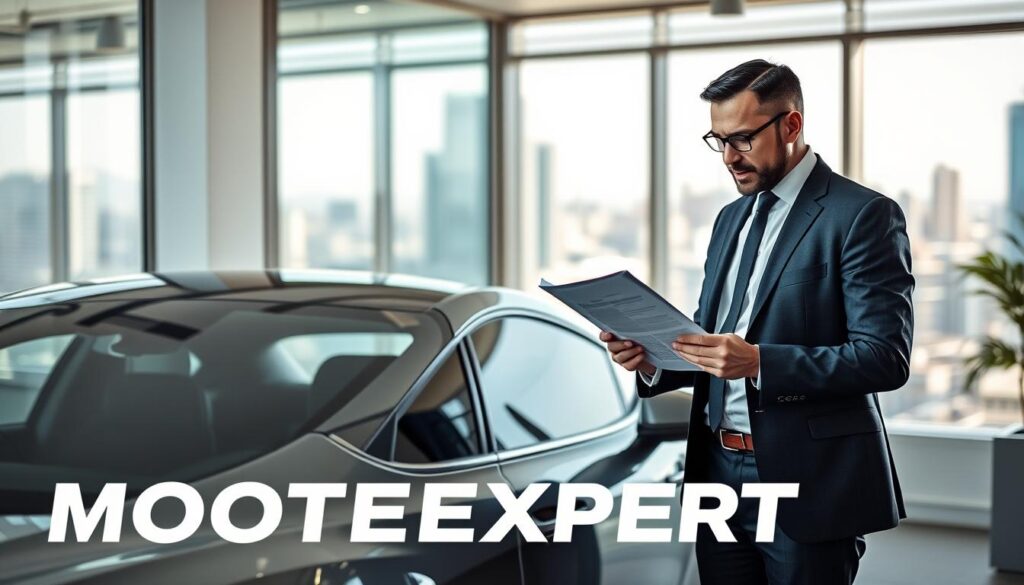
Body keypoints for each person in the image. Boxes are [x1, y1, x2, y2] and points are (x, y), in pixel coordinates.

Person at [600, 58, 914, 585]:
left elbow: (885, 357)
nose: (727, 157)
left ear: (791, 125)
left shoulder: (861, 216)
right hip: (718, 472)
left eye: (742, 139)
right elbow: (710, 341)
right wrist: (652, 358)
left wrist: (759, 362)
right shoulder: (730, 220)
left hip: (805, 479)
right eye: (717, 139)